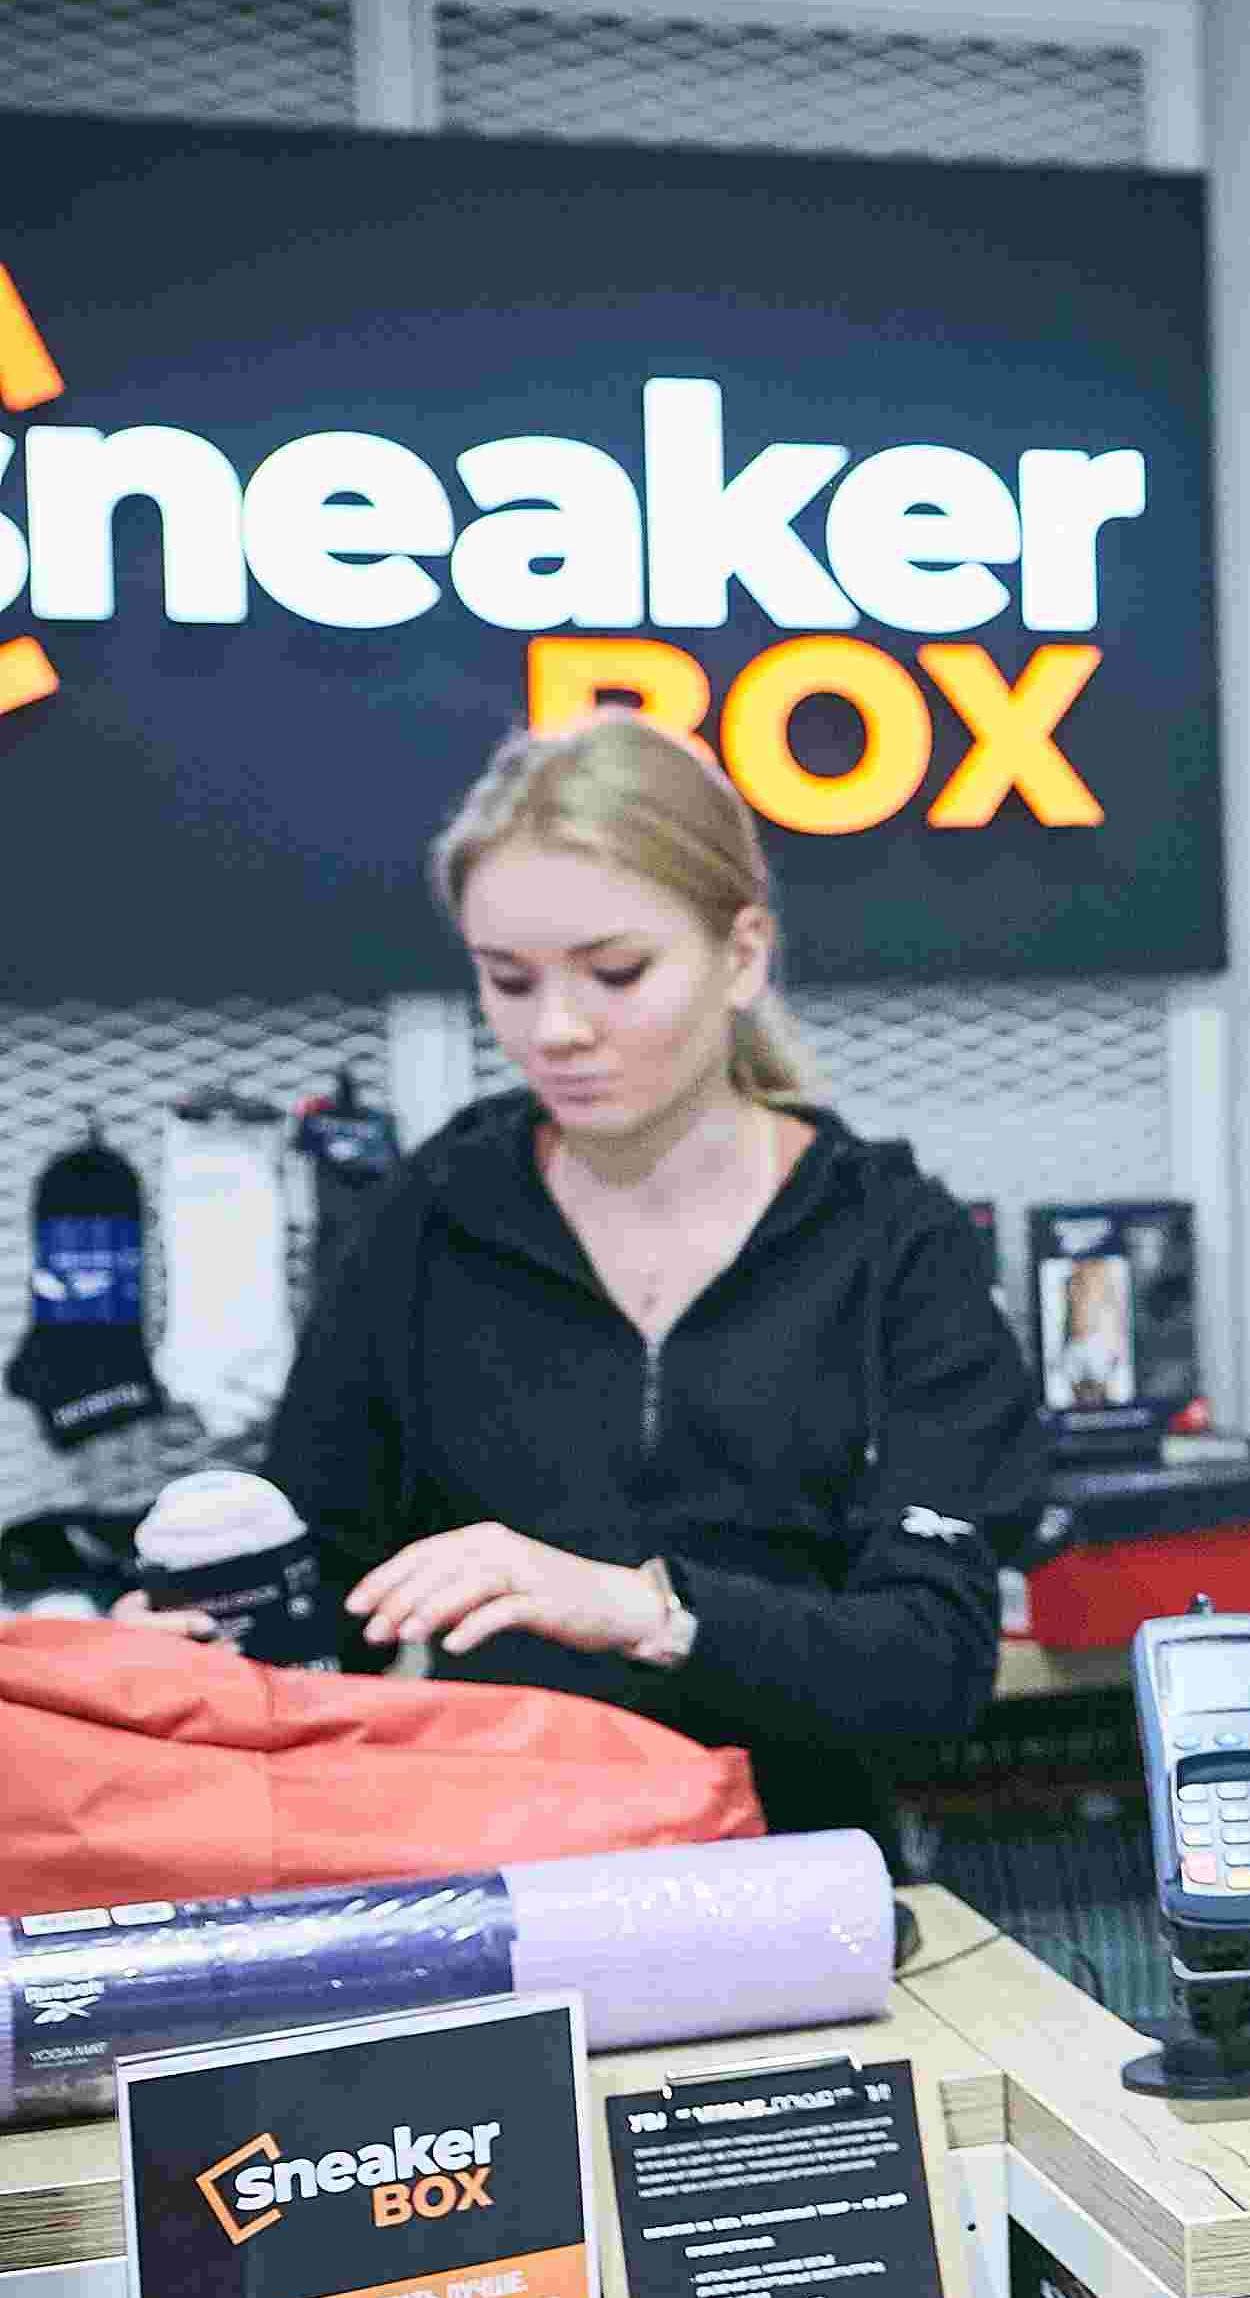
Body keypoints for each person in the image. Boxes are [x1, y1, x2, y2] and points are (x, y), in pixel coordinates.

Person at [124, 712, 1048, 1848]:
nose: (556, 1029)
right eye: (508, 981)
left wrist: (644, 1609)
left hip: (811, 1885)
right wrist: (205, 1639)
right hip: (491, 1883)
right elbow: (327, 1608)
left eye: (615, 974)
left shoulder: (895, 1245)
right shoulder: (430, 1221)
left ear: (742, 955)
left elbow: (932, 1669)